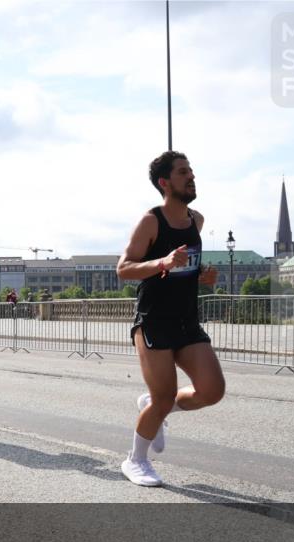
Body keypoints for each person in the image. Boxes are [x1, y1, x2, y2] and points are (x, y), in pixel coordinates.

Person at [116, 150, 223, 487]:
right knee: (164, 397)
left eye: (191, 170)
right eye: (182, 172)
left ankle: (155, 406)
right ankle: (136, 460)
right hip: (154, 321)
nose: (190, 176)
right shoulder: (152, 221)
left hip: (186, 321)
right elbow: (124, 269)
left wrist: (204, 275)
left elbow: (188, 266)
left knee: (212, 390)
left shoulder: (197, 221)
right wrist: (162, 262)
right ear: (165, 182)